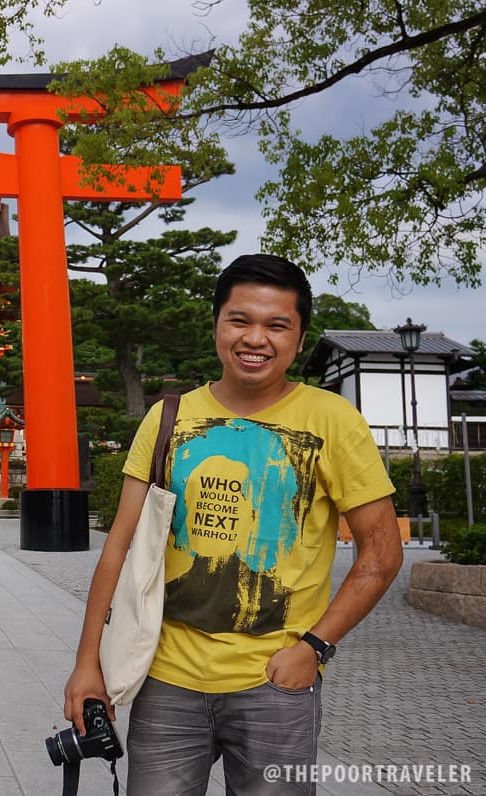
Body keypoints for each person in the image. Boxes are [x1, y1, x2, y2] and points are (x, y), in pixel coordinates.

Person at [62, 253, 403, 795]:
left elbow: (382, 555)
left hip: (276, 683)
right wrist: (88, 665)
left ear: (299, 337)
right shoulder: (169, 416)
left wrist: (313, 649)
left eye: (277, 325)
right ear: (217, 324)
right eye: (240, 320)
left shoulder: (333, 421)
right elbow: (119, 548)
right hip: (166, 677)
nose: (256, 338)